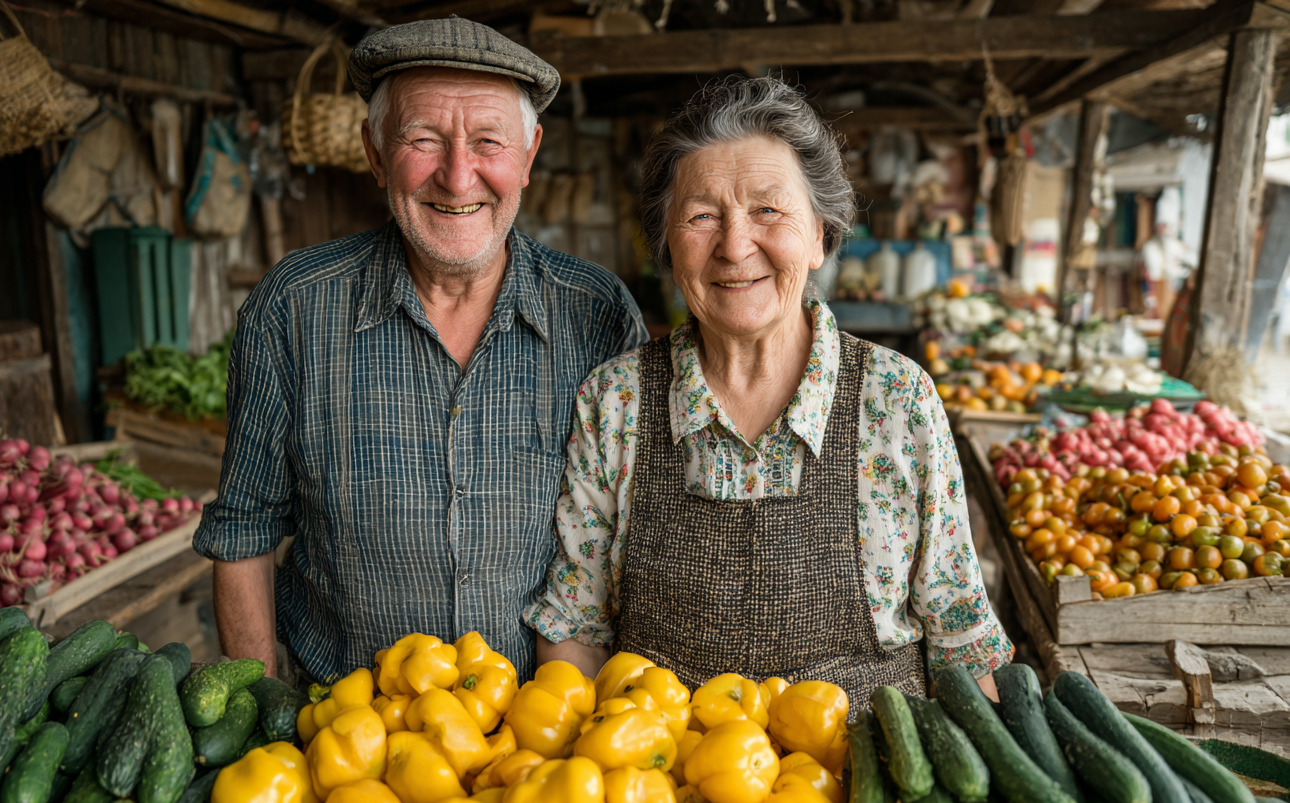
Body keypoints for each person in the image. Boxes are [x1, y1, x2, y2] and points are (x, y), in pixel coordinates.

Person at [525, 77, 1010, 710]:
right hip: (667, 764)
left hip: (871, 760)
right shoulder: (615, 402)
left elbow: (960, 644)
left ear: (820, 237)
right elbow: (576, 631)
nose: (734, 246)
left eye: (768, 211)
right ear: (668, 242)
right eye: (701, 216)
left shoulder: (897, 399)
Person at [193, 18, 646, 684]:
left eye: (488, 142)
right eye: (423, 140)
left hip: (545, 729)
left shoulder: (598, 315)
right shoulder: (294, 307)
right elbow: (243, 532)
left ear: (528, 156)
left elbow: (634, 543)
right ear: (376, 153)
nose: (458, 178)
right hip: (344, 724)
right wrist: (259, 709)